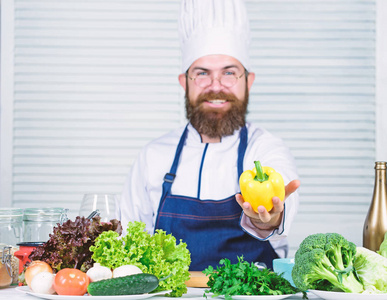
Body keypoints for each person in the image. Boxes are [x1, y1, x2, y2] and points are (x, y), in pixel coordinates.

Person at [117, 0, 300, 271]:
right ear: (185, 82)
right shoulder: (153, 156)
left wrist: (268, 219)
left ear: (248, 82)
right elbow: (128, 244)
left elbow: (282, 202)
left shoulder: (265, 149)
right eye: (202, 73)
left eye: (229, 73)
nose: (216, 87)